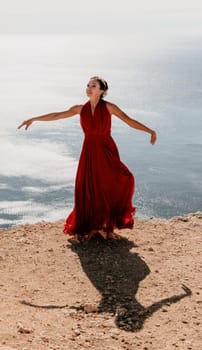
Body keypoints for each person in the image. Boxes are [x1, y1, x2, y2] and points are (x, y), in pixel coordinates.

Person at [17, 76, 157, 243]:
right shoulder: (79, 108)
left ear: (102, 90)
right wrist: (34, 118)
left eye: (94, 85)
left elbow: (129, 121)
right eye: (88, 85)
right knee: (89, 187)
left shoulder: (109, 107)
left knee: (112, 183)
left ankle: (107, 227)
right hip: (89, 151)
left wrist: (150, 131)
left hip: (106, 150)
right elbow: (57, 115)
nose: (89, 88)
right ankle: (92, 227)